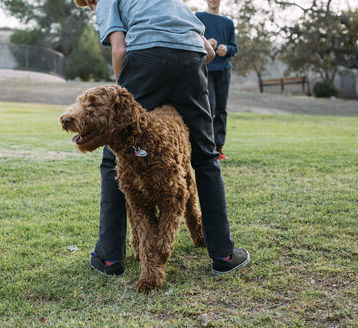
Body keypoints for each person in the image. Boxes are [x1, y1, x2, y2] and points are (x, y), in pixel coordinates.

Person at [74, 0, 249, 277]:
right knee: (205, 156)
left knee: (115, 154)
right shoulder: (172, 3)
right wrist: (181, 75)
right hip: (191, 58)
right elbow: (208, 51)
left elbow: (119, 49)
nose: (93, 8)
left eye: (89, 5)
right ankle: (224, 254)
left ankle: (109, 257)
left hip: (146, 59)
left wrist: (124, 95)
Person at [196, 0, 238, 160]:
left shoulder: (228, 22)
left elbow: (235, 48)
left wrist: (227, 49)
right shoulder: (198, 17)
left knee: (221, 109)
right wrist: (206, 43)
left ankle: (218, 148)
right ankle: (205, 146)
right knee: (209, 107)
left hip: (223, 71)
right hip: (205, 69)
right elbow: (192, 38)